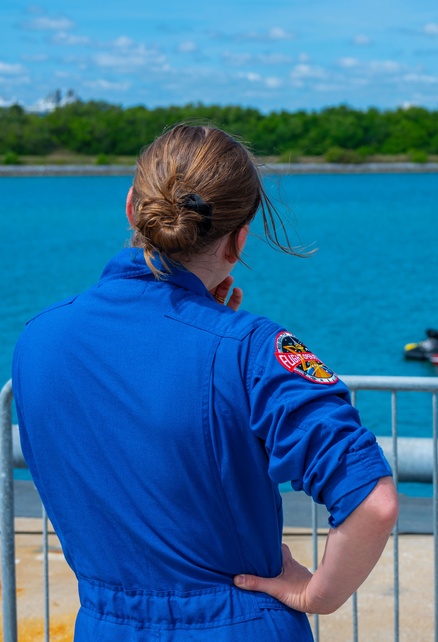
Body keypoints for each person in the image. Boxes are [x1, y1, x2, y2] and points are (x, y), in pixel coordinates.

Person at [12, 124, 399, 641]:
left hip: (104, 626)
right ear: (239, 238)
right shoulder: (252, 349)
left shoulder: (38, 341)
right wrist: (318, 594)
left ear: (132, 207)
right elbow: (373, 502)